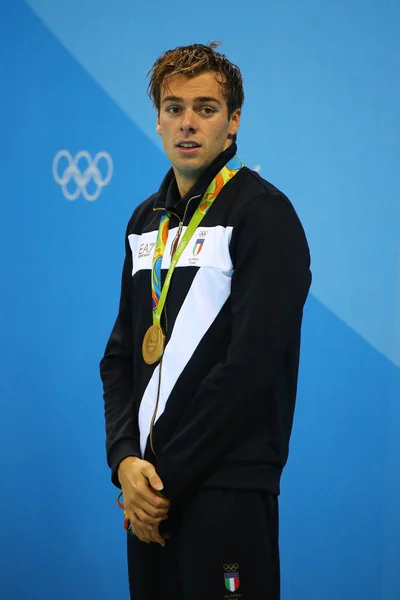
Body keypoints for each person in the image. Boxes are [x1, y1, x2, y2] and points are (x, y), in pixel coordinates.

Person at [100, 41, 311, 600]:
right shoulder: (146, 221)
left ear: (233, 122)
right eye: (174, 108)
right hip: (148, 498)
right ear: (158, 120)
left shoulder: (264, 215)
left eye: (205, 108)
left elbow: (251, 368)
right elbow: (121, 357)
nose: (187, 123)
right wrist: (125, 461)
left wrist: (165, 477)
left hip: (225, 491)